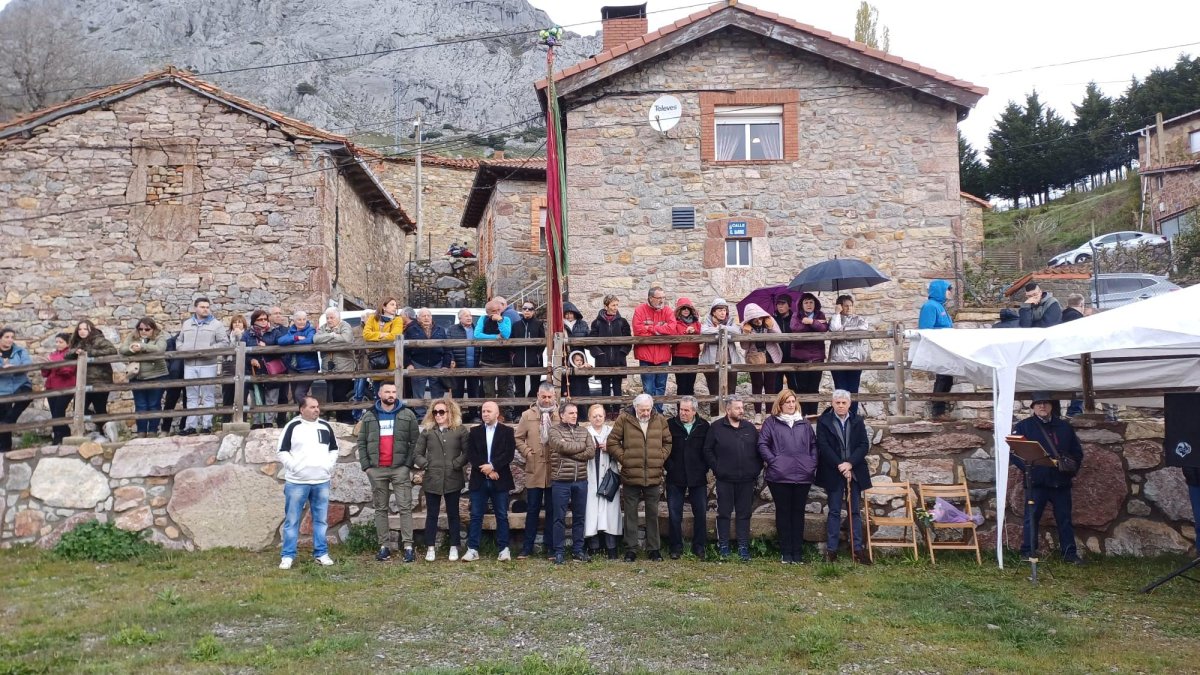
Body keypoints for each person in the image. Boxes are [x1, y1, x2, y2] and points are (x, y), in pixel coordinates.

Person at [1010, 391, 1085, 565]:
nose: (1042, 406)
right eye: (1038, 404)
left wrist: (1069, 469)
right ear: (1033, 407)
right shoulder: (1024, 427)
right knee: (1031, 518)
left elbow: (1077, 453)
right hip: (1037, 481)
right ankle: (1028, 552)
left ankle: (1069, 554)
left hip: (1060, 481)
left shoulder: (1064, 427)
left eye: (1045, 403)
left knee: (1064, 519)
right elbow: (1015, 453)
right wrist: (1030, 470)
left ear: (1051, 406)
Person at [357, 382, 420, 563]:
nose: (391, 394)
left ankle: (408, 546)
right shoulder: (369, 416)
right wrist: (367, 467)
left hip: (400, 469)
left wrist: (407, 465)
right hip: (377, 470)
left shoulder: (407, 415)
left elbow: (414, 443)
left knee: (405, 508)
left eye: (393, 392)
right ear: (379, 393)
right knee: (380, 509)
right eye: (387, 391)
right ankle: (384, 546)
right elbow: (361, 443)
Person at [607, 393, 672, 561]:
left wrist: (659, 457)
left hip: (653, 474)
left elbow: (668, 442)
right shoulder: (624, 419)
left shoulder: (660, 420)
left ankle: (654, 549)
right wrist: (625, 459)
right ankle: (631, 549)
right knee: (630, 514)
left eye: (648, 409)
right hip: (631, 475)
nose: (645, 413)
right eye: (642, 410)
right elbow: (612, 442)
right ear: (635, 407)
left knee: (652, 513)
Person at [277, 396, 339, 569]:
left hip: (321, 481)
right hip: (297, 482)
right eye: (312, 407)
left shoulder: (325, 426)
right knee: (292, 520)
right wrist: (294, 467)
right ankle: (288, 556)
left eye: (317, 407)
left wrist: (328, 466)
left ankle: (321, 553)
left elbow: (334, 449)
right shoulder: (293, 426)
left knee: (321, 520)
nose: (316, 410)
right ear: (301, 409)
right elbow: (282, 451)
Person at [758, 389, 818, 564]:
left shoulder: (804, 423)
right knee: (783, 513)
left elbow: (814, 445)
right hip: (779, 476)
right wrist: (774, 461)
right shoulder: (771, 423)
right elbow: (762, 444)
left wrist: (811, 463)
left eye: (793, 401)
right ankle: (786, 552)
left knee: (798, 514)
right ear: (780, 404)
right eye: (787, 402)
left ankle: (797, 552)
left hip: (802, 475)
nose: (791, 405)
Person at [816, 389, 872, 564]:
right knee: (833, 511)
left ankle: (857, 549)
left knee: (854, 511)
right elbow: (823, 446)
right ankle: (831, 551)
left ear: (849, 404)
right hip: (834, 471)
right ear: (832, 403)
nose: (840, 405)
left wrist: (850, 464)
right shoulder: (824, 421)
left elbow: (864, 445)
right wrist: (841, 465)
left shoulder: (857, 420)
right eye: (837, 402)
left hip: (854, 471)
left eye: (844, 403)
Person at [703, 394, 761, 561]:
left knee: (744, 514)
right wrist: (718, 468)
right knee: (724, 513)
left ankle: (743, 547)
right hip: (725, 479)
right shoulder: (716, 427)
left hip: (746, 479)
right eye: (737, 408)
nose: (741, 411)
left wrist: (755, 469)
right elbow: (707, 450)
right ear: (728, 410)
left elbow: (758, 451)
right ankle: (724, 546)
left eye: (742, 408)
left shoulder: (749, 428)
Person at [414, 397, 469, 562]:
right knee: (432, 514)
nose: (438, 415)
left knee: (453, 514)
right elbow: (417, 454)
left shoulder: (460, 430)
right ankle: (430, 547)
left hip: (453, 478)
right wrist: (426, 465)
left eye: (441, 412)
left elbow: (467, 453)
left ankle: (454, 546)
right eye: (435, 412)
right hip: (432, 478)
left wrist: (456, 464)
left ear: (450, 413)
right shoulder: (428, 431)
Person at [464, 401, 515, 561]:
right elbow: (471, 454)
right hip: (479, 479)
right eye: (483, 411)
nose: (485, 413)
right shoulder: (474, 431)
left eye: (488, 411)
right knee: (476, 515)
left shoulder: (507, 431)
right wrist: (486, 469)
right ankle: (472, 549)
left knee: (501, 515)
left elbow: (509, 454)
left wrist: (493, 467)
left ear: (497, 413)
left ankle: (504, 549)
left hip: (500, 478)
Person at [514, 383, 558, 559]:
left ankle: (550, 547)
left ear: (554, 397)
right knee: (532, 509)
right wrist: (527, 452)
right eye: (543, 397)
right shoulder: (527, 415)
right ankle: (527, 547)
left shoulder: (560, 415)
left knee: (552, 510)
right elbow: (518, 438)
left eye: (549, 397)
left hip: (554, 469)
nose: (546, 400)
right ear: (538, 396)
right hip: (534, 469)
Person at [547, 401, 595, 564]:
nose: (575, 415)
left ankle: (578, 550)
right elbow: (560, 446)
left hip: (581, 481)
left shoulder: (584, 431)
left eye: (576, 412)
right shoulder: (554, 430)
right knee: (559, 518)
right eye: (571, 413)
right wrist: (579, 447)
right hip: (561, 481)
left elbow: (590, 451)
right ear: (562, 415)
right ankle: (559, 551)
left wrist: (571, 453)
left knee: (579, 517)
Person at [665, 395, 710, 559]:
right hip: (675, 476)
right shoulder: (670, 425)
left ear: (694, 411)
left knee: (700, 513)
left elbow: (708, 449)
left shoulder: (704, 426)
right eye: (680, 409)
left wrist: (704, 468)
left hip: (697, 477)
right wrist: (669, 466)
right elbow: (664, 447)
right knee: (674, 513)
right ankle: (675, 547)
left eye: (686, 410)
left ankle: (699, 547)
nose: (682, 413)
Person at [177, 298, 230, 434]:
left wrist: (208, 350)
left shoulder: (216, 325)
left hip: (208, 364)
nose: (205, 309)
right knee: (191, 396)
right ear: (195, 308)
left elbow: (224, 343)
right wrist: (183, 350)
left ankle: (207, 425)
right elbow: (179, 340)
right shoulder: (187, 324)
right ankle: (191, 426)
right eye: (202, 307)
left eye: (207, 307)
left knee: (208, 395)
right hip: (189, 364)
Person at [583, 403, 622, 559]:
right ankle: (593, 545)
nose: (597, 418)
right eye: (594, 416)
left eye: (600, 415)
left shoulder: (612, 432)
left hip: (608, 476)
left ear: (605, 416)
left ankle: (611, 546)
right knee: (591, 510)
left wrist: (610, 448)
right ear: (589, 418)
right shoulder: (585, 433)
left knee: (609, 512)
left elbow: (621, 450)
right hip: (591, 474)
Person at [119, 317, 169, 437]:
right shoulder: (132, 336)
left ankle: (152, 431)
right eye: (140, 329)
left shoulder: (159, 336)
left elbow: (160, 349)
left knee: (154, 404)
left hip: (156, 375)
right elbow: (122, 349)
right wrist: (132, 349)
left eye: (147, 329)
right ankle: (141, 432)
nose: (143, 331)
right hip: (137, 376)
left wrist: (142, 347)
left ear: (153, 329)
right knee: (140, 405)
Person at [631, 286, 676, 411]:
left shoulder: (667, 310)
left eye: (663, 297)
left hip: (663, 356)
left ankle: (658, 413)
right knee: (649, 388)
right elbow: (638, 330)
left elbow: (672, 329)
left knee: (661, 387)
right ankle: (649, 413)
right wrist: (661, 329)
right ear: (651, 298)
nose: (662, 300)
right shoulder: (640, 310)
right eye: (659, 298)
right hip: (646, 356)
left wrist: (651, 328)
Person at [588, 295, 631, 416]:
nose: (615, 308)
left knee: (617, 388)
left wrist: (622, 353)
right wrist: (599, 354)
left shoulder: (622, 322)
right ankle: (606, 411)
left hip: (618, 360)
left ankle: (617, 411)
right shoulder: (596, 323)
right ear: (606, 306)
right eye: (613, 305)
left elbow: (628, 340)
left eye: (617, 305)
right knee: (605, 388)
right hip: (603, 360)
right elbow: (592, 341)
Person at [828, 294, 870, 417]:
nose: (849, 308)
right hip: (838, 360)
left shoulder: (860, 319)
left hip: (855, 360)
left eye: (850, 306)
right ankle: (840, 416)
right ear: (840, 306)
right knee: (840, 390)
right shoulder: (835, 318)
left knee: (853, 390)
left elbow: (863, 329)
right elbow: (835, 329)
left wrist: (844, 329)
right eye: (845, 306)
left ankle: (852, 417)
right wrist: (836, 314)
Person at [404, 308, 450, 418]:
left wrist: (445, 365)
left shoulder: (440, 329)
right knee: (418, 391)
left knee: (437, 392)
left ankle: (436, 414)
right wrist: (408, 364)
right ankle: (420, 415)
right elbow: (405, 350)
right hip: (418, 363)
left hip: (437, 363)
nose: (426, 318)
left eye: (428, 315)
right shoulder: (411, 330)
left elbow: (447, 348)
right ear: (418, 318)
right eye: (423, 316)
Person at [919, 280, 955, 418]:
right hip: (938, 348)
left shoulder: (939, 306)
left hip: (945, 347)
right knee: (943, 378)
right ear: (940, 290)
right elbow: (926, 329)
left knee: (947, 378)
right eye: (947, 289)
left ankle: (940, 409)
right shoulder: (930, 307)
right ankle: (938, 411)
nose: (950, 292)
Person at [66, 319, 116, 419]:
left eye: (85, 329)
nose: (82, 331)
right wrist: (75, 352)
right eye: (80, 329)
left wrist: (89, 353)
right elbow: (67, 355)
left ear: (91, 330)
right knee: (78, 409)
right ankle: (101, 425)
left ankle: (106, 431)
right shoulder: (76, 342)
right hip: (83, 382)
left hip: (100, 380)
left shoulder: (99, 340)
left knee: (100, 408)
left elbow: (112, 350)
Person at [700, 298, 742, 417]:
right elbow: (704, 331)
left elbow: (737, 331)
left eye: (724, 310)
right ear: (714, 312)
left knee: (731, 393)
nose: (723, 313)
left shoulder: (731, 321)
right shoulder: (707, 322)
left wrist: (721, 328)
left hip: (730, 362)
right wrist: (721, 330)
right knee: (714, 394)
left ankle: (730, 419)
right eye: (720, 310)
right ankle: (714, 421)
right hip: (712, 363)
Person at [740, 302, 782, 419]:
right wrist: (745, 334)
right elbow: (744, 346)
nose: (757, 320)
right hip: (754, 359)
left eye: (759, 317)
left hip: (770, 357)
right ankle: (757, 413)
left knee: (770, 385)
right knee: (757, 384)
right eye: (754, 318)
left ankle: (769, 413)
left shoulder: (769, 321)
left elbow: (780, 337)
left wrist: (771, 327)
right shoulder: (745, 327)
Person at [790, 293, 828, 417]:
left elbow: (824, 329)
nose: (809, 305)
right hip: (801, 357)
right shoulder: (796, 315)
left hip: (817, 357)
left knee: (814, 387)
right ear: (801, 304)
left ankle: (813, 414)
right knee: (802, 387)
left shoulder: (820, 315)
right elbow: (795, 328)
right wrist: (815, 324)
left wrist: (811, 321)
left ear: (815, 303)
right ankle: (803, 414)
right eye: (806, 302)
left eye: (811, 302)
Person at [244, 309, 284, 429]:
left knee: (271, 397)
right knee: (256, 396)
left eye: (265, 319)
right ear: (254, 321)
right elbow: (242, 351)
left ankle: (269, 422)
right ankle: (256, 421)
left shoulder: (275, 332)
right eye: (260, 319)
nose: (263, 321)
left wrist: (267, 347)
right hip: (254, 370)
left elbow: (281, 349)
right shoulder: (247, 334)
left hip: (271, 369)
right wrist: (250, 360)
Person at [316, 308, 356, 424]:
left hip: (344, 367)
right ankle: (340, 420)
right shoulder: (323, 327)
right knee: (333, 395)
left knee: (340, 393)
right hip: (329, 367)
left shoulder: (345, 325)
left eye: (331, 317)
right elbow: (316, 339)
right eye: (327, 317)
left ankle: (347, 420)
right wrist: (333, 335)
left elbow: (346, 339)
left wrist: (328, 338)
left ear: (338, 318)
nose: (329, 320)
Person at [0, 327, 33, 453]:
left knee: (26, 396)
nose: (10, 340)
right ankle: (4, 450)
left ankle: (11, 420)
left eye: (12, 337)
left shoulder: (20, 351)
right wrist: (3, 367)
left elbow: (27, 364)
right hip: (2, 390)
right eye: (7, 337)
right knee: (2, 419)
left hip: (20, 385)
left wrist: (14, 367)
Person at [473, 300, 512, 404]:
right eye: (494, 311)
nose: (497, 313)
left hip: (503, 361)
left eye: (499, 310)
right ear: (488, 312)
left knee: (503, 390)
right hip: (487, 362)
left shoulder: (506, 319)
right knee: (488, 391)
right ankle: (490, 412)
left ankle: (501, 413)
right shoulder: (483, 319)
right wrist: (495, 337)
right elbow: (477, 335)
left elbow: (506, 335)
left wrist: (500, 321)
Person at [41, 333, 76, 445]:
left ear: (68, 343)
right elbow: (45, 374)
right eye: (56, 342)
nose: (58, 344)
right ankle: (64, 433)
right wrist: (45, 366)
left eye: (60, 342)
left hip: (66, 387)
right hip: (51, 387)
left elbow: (69, 371)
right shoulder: (53, 354)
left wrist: (55, 365)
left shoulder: (71, 354)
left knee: (58, 412)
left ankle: (58, 437)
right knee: (55, 413)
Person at [447, 309, 481, 422]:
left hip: (474, 366)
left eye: (470, 315)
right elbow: (448, 347)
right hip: (458, 366)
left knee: (474, 392)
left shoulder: (477, 329)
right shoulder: (452, 330)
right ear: (460, 318)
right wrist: (451, 359)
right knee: (457, 393)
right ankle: (457, 416)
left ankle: (474, 415)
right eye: (466, 316)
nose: (469, 317)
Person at [283, 310, 319, 406]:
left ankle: (308, 413)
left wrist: (291, 344)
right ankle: (300, 417)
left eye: (304, 319)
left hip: (308, 367)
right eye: (299, 319)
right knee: (295, 395)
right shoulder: (291, 331)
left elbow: (309, 340)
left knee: (299, 393)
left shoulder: (310, 330)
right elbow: (281, 341)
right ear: (294, 321)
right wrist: (296, 338)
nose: (302, 321)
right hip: (294, 367)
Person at [510, 301, 545, 400]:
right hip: (519, 361)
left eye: (530, 309)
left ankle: (531, 408)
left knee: (535, 388)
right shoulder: (516, 325)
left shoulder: (538, 324)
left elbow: (543, 341)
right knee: (519, 388)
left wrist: (537, 355)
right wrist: (514, 355)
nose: (527, 311)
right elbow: (511, 341)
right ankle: (519, 412)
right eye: (525, 308)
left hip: (534, 361)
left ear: (534, 311)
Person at [363, 297, 404, 375]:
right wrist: (381, 334)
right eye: (392, 304)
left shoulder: (398, 319)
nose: (395, 307)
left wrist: (374, 337)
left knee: (391, 385)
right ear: (384, 307)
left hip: (391, 361)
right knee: (376, 385)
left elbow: (394, 336)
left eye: (396, 305)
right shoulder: (372, 318)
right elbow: (366, 335)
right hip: (376, 360)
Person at [671, 297, 702, 399]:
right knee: (681, 385)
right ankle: (681, 412)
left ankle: (691, 411)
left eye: (687, 308)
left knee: (690, 385)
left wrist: (695, 332)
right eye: (683, 308)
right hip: (679, 356)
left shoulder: (696, 323)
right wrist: (685, 332)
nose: (685, 310)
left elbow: (702, 337)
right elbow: (672, 335)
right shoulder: (675, 322)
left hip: (693, 356)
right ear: (679, 310)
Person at [266, 306, 292, 428]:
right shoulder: (265, 330)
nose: (278, 315)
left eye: (280, 313)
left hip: (283, 366)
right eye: (275, 313)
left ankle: (281, 422)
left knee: (283, 395)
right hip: (267, 367)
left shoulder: (287, 330)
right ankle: (267, 421)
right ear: (269, 316)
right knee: (269, 395)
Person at [1061, 295, 1086, 416]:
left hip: (1064, 355)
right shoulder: (1078, 318)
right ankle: (1075, 411)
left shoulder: (1062, 315)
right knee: (1081, 383)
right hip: (1077, 355)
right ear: (1081, 305)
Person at [220, 314, 247, 424]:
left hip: (243, 368)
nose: (237, 324)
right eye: (235, 322)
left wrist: (239, 337)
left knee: (243, 397)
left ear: (244, 324)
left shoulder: (247, 335)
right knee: (227, 396)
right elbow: (223, 350)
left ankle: (242, 421)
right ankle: (226, 421)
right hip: (228, 368)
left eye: (239, 322)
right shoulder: (226, 336)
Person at [773, 295, 801, 395]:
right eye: (778, 304)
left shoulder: (796, 319)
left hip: (792, 357)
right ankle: (776, 410)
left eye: (783, 304)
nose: (780, 306)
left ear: (789, 306)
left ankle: (796, 409)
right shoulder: (772, 320)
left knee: (794, 386)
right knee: (776, 387)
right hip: (777, 358)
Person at [159, 331, 186, 435]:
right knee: (169, 403)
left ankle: (183, 428)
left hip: (188, 375)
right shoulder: (170, 342)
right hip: (174, 376)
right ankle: (165, 429)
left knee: (188, 403)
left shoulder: (193, 342)